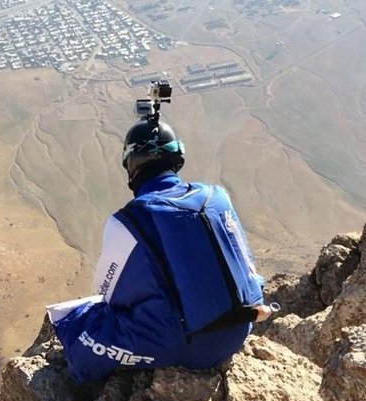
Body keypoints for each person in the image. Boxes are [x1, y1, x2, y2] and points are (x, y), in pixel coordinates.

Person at [47, 114, 273, 384]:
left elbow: (107, 294)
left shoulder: (129, 220)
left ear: (132, 165)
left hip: (186, 346)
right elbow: (247, 267)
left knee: (77, 326)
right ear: (177, 158)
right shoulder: (218, 197)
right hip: (240, 328)